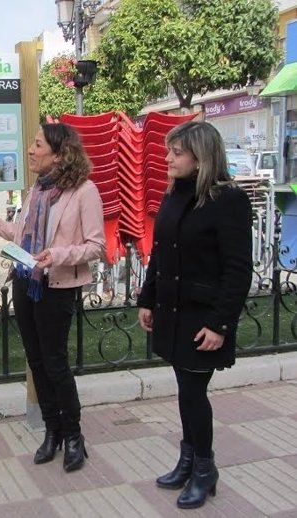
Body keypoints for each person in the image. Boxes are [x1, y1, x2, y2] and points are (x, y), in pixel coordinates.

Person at [0, 122, 105, 473]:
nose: (30, 149)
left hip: (57, 286)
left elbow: (96, 246)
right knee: (36, 361)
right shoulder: (36, 190)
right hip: (27, 282)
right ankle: (52, 431)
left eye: (37, 144)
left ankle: (74, 436)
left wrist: (57, 255)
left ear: (59, 154)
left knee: (55, 362)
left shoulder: (84, 191)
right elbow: (23, 237)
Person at [137, 121, 252, 510]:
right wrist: (147, 299)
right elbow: (159, 254)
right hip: (172, 311)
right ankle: (188, 461)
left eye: (177, 152)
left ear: (201, 156)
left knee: (193, 394)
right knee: (187, 392)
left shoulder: (228, 200)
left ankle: (204, 468)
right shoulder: (174, 193)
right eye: (169, 151)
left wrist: (220, 324)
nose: (168, 158)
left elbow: (237, 270)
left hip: (202, 318)